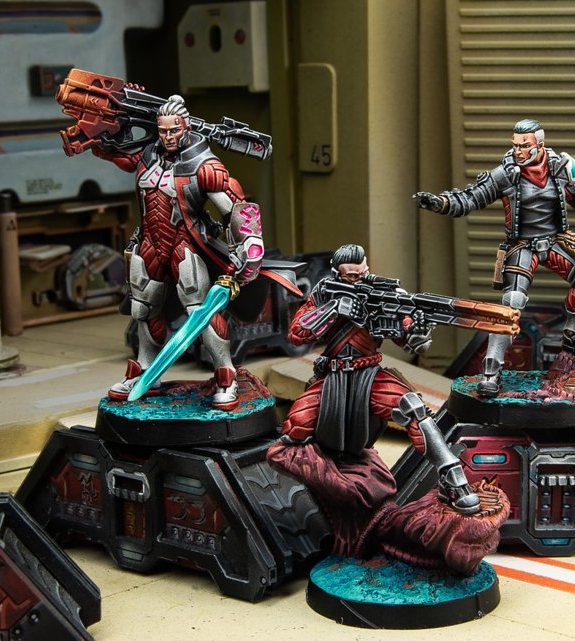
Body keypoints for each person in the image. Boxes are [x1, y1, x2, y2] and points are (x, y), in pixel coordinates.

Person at [278, 243, 480, 514]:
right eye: (352, 276)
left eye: (364, 273)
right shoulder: (324, 293)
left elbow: (412, 341)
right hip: (332, 376)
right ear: (337, 274)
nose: (360, 279)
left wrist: (417, 331)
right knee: (295, 428)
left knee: (414, 408)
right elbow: (296, 334)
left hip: (371, 375)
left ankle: (453, 480)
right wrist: (334, 310)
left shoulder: (384, 293)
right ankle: (303, 498)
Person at [414, 118, 575, 396]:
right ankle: (491, 373)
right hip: (522, 247)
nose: (518, 151)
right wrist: (442, 203)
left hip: (556, 242)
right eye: (515, 145)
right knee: (511, 305)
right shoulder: (506, 174)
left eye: (524, 146)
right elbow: (471, 198)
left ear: (539, 145)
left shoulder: (562, 168)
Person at [90, 95, 265, 405]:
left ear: (187, 127)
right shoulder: (147, 156)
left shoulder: (203, 165)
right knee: (143, 309)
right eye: (162, 131)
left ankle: (225, 375)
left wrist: (248, 246)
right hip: (149, 242)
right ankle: (145, 371)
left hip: (184, 243)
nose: (167, 137)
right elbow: (112, 151)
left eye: (174, 130)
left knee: (201, 311)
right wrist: (101, 129)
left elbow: (234, 207)